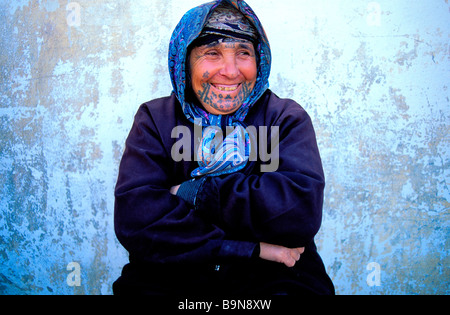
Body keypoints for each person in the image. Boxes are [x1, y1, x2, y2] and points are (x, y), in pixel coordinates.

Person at [113, 0, 335, 296]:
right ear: (184, 62)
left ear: (260, 59)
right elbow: (137, 221)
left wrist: (196, 193)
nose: (230, 71)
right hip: (172, 274)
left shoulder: (284, 119)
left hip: (276, 277)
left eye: (243, 53)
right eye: (212, 53)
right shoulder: (156, 120)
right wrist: (252, 248)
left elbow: (299, 213)